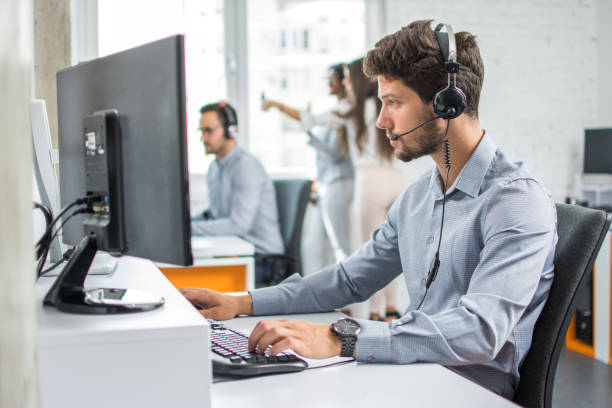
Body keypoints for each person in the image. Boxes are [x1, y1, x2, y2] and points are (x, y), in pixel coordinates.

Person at [181, 21, 557, 399]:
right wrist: (241, 302)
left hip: (464, 393)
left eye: (393, 102)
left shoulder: (515, 202)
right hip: (410, 376)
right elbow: (348, 281)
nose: (381, 121)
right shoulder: (418, 198)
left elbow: (479, 333)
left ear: (447, 102)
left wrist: (341, 337)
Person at [261, 63, 354, 267]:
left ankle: (353, 298)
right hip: (326, 185)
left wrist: (277, 105)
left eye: (333, 79)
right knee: (311, 246)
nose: (328, 83)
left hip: (339, 183)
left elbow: (335, 152)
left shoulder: (346, 111)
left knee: (342, 248)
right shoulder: (336, 111)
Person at [191, 101, 284, 285]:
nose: (203, 138)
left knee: (200, 285)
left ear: (230, 131)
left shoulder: (246, 166)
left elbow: (238, 224)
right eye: (201, 131)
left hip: (263, 259)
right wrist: (184, 224)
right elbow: (215, 213)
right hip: (235, 251)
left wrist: (188, 230)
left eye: (209, 130)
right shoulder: (214, 168)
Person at [342, 57, 406, 321]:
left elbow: (310, 119)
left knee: (372, 252)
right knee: (393, 251)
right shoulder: (384, 107)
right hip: (396, 178)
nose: (345, 82)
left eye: (347, 77)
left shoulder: (351, 109)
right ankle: (392, 309)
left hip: (370, 181)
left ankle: (372, 313)